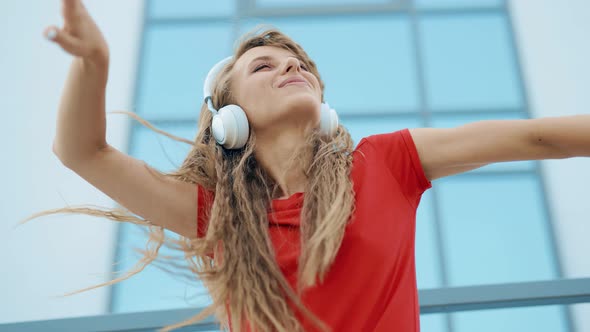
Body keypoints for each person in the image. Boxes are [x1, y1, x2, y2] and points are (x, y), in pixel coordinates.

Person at [28, 0, 589, 331]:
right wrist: (94, 62)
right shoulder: (218, 215)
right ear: (230, 117)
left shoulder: (388, 163)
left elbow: (539, 138)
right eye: (263, 66)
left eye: (297, 62)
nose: (290, 66)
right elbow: (82, 152)